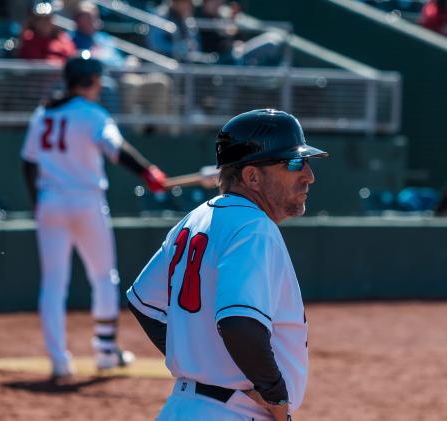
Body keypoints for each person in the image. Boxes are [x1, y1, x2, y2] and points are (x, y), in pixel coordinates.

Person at [126, 109, 328, 420]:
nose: (309, 175)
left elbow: (143, 303)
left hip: (181, 409)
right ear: (252, 176)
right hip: (232, 412)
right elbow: (239, 323)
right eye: (293, 163)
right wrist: (275, 397)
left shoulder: (194, 220)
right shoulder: (254, 227)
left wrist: (198, 361)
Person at [20, 55, 168, 379]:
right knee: (103, 277)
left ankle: (59, 360)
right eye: (98, 80)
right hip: (86, 202)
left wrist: (37, 203)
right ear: (90, 81)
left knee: (54, 283)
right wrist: (148, 171)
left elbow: (28, 163)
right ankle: (104, 352)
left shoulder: (43, 113)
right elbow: (117, 149)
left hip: (49, 202)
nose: (101, 85)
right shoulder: (93, 114)